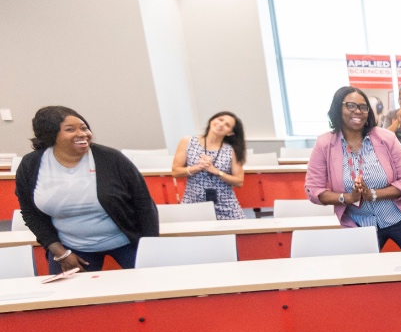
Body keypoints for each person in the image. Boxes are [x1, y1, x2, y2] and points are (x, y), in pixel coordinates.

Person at [15, 106, 159, 273]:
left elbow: (144, 204)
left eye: (84, 128)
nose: (82, 134)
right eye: (70, 129)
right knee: (69, 297)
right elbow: (30, 213)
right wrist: (60, 252)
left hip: (127, 241)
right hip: (69, 246)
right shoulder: (31, 165)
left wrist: (150, 247)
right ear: (51, 134)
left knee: (156, 289)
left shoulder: (112, 158)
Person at [304, 87, 401, 251]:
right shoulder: (324, 144)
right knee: (359, 274)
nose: (357, 111)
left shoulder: (386, 138)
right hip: (359, 223)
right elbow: (313, 190)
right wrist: (348, 198)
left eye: (363, 107)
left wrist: (372, 194)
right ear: (338, 108)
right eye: (350, 106)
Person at [171, 111, 247, 220]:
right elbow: (175, 172)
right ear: (212, 120)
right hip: (193, 203)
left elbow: (239, 181)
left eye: (227, 125)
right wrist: (197, 168)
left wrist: (215, 171)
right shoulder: (188, 141)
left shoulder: (232, 150)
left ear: (230, 133)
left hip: (225, 205)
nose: (221, 124)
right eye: (220, 120)